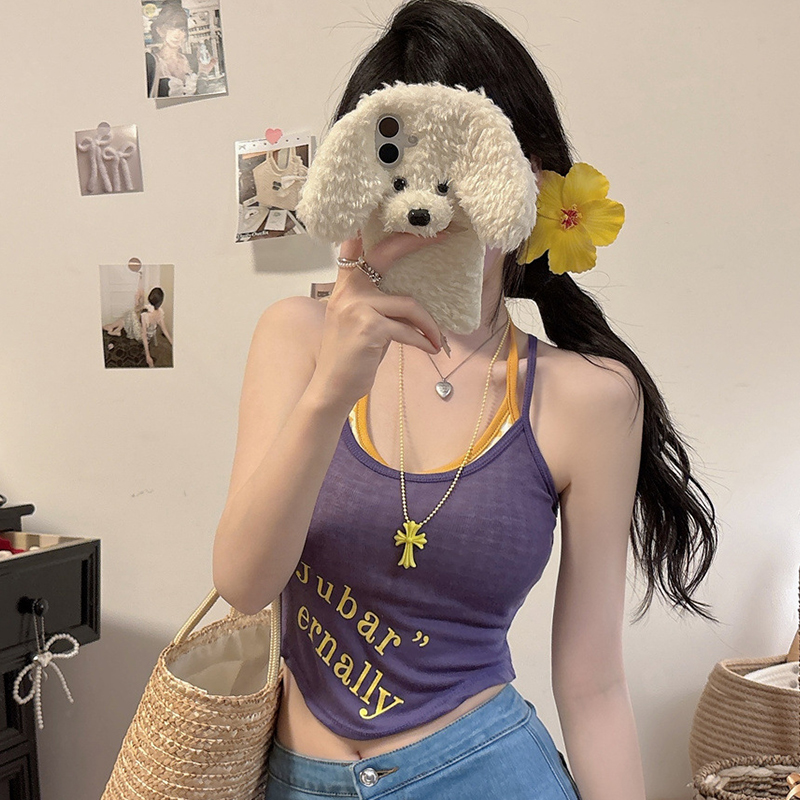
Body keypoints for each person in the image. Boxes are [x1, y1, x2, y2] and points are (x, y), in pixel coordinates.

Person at [212, 1, 718, 798]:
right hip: (301, 778)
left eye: (457, 159)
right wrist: (330, 392)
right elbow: (244, 583)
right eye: (390, 157)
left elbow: (593, 685)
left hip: (486, 771)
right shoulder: (296, 339)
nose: (425, 201)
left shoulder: (589, 399)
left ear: (529, 183)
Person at [145, 1, 217, 98]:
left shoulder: (191, 60)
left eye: (182, 29)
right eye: (171, 28)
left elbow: (198, 95)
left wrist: (203, 72)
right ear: (160, 30)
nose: (177, 34)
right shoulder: (150, 62)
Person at [104, 284, 173, 368]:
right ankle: (117, 329)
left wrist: (148, 355)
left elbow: (143, 336)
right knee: (130, 315)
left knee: (130, 314)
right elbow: (165, 330)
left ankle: (114, 328)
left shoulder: (145, 316)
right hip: (150, 333)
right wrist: (172, 343)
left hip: (140, 336)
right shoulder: (160, 312)